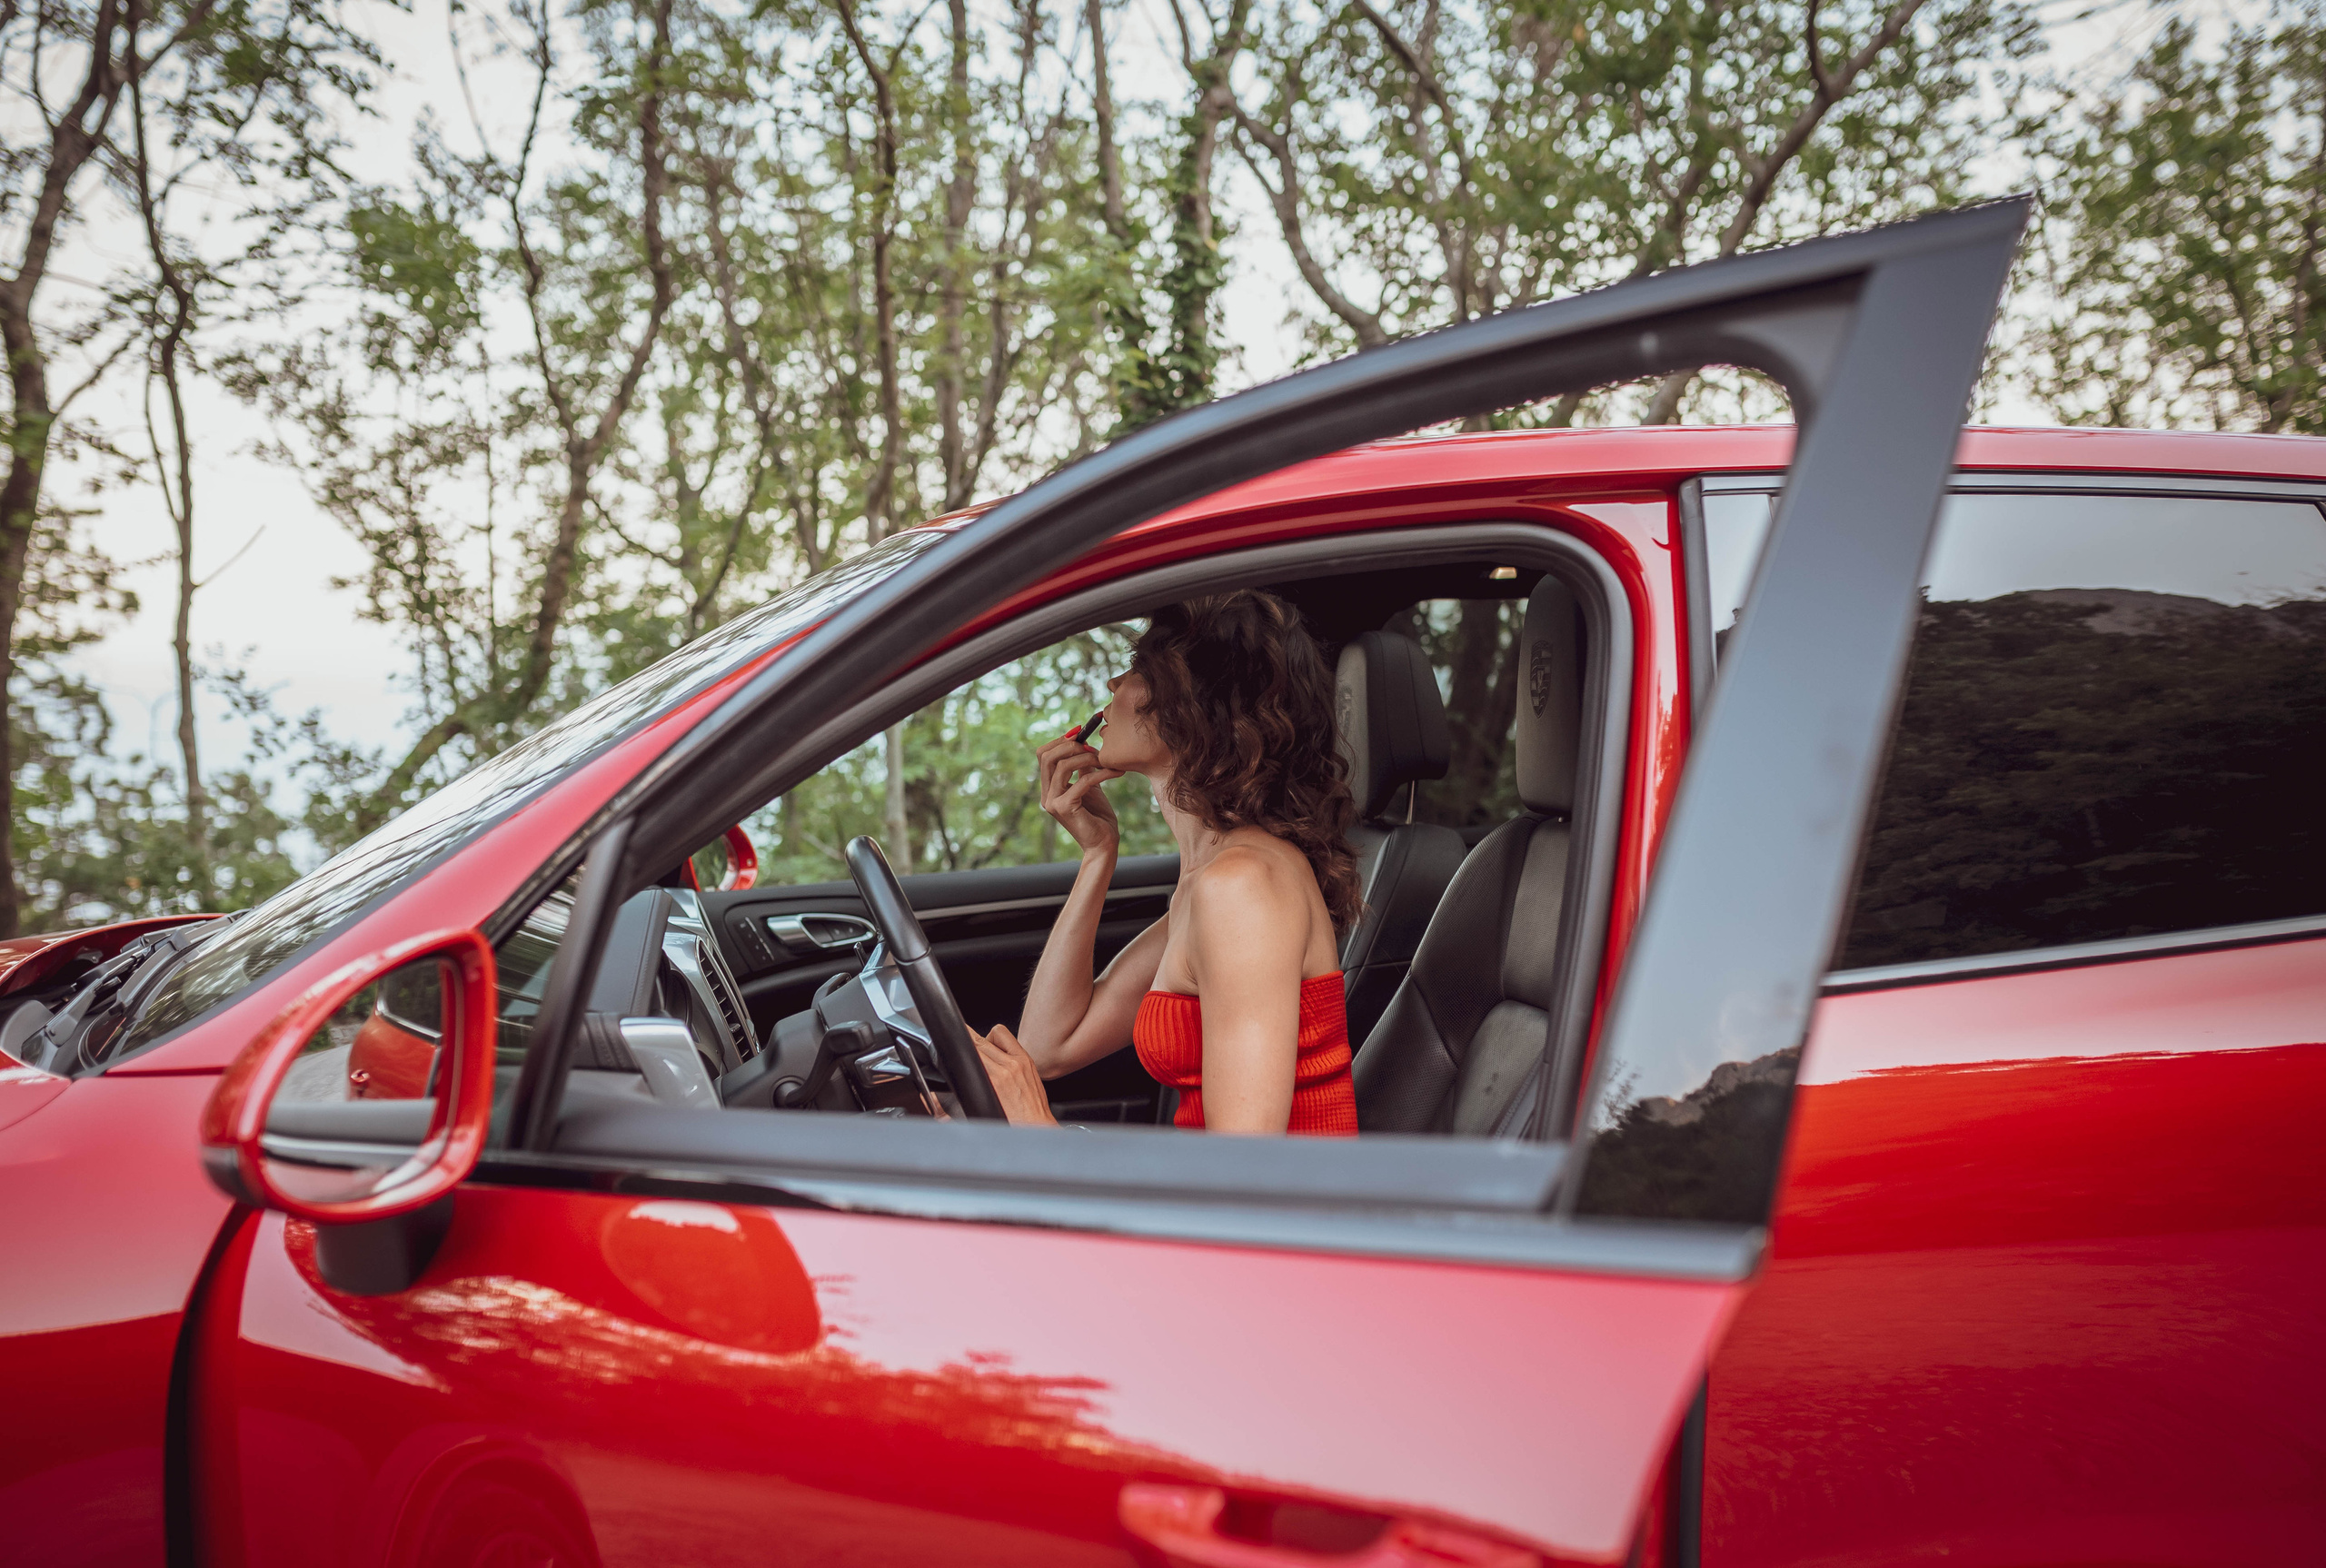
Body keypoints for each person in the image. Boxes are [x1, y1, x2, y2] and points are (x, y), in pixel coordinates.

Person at [971, 591, 1364, 1134]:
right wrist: (1097, 854)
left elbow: (1243, 1178)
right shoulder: (1211, 880)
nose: (1113, 687)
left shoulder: (1242, 887)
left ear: (1192, 705)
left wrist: (1041, 1136)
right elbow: (1047, 1046)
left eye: (1137, 669)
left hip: (1280, 1215)